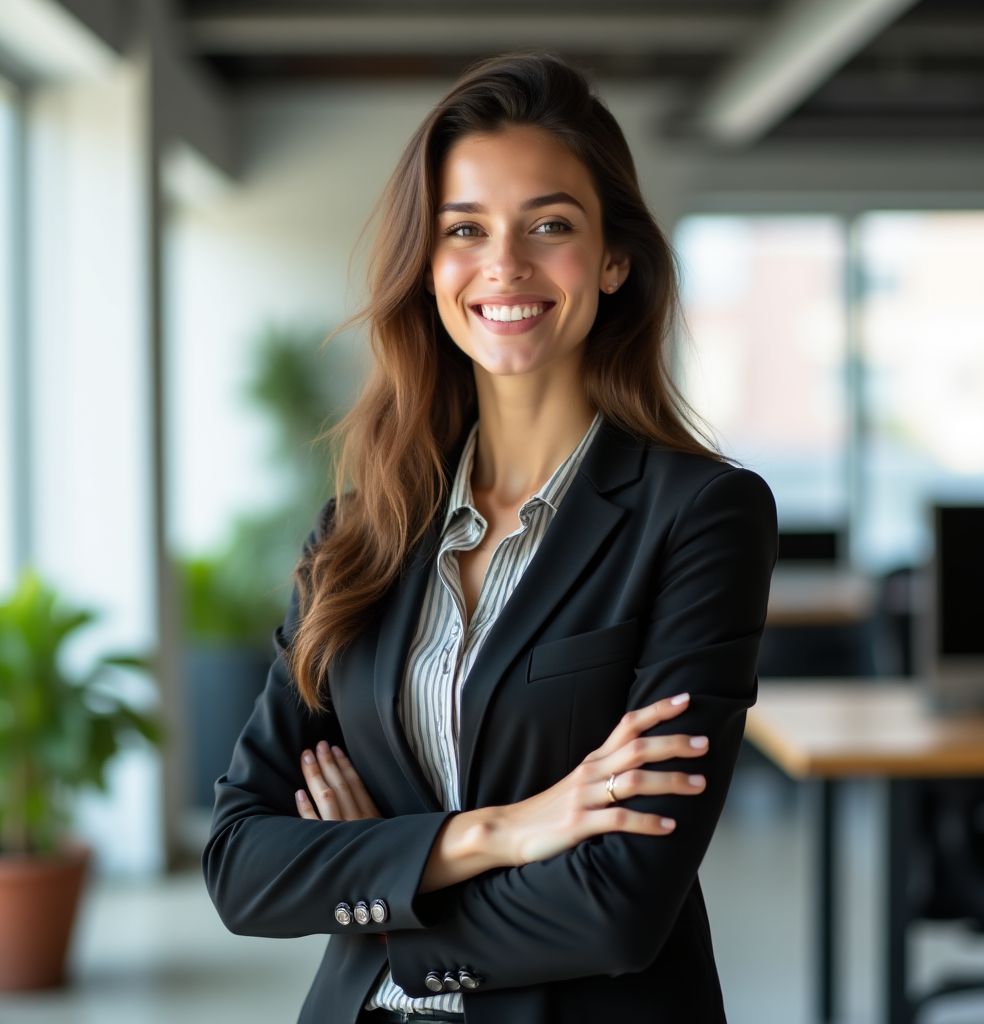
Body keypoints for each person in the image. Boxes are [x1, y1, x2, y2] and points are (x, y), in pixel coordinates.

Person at [202, 49, 778, 1024]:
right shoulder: (359, 533)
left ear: (612, 258)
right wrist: (501, 833)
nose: (503, 265)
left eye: (548, 225)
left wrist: (382, 885)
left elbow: (618, 907)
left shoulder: (701, 517)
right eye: (463, 229)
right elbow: (239, 863)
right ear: (427, 267)